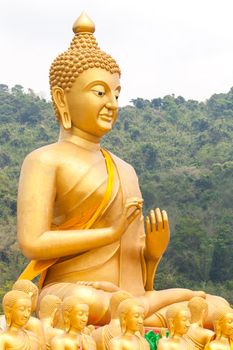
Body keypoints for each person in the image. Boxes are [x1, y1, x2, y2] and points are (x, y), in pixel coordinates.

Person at [17, 12, 228, 327]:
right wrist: (111, 233)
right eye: (100, 92)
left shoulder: (125, 169)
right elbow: (33, 242)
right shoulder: (45, 160)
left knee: (217, 306)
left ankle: (135, 315)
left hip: (130, 296)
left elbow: (135, 260)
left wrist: (151, 256)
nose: (113, 104)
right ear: (62, 98)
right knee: (82, 303)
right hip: (75, 290)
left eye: (117, 94)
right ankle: (138, 315)